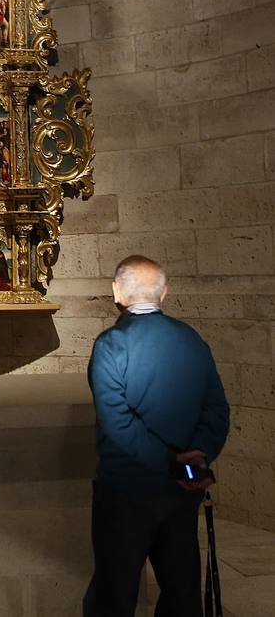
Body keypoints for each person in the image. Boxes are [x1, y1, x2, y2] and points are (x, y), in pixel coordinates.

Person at [84, 256, 230, 617]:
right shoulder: (191, 340)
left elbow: (117, 423)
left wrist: (167, 460)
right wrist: (198, 454)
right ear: (165, 292)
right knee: (181, 595)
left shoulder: (110, 346)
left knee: (114, 597)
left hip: (125, 492)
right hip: (182, 489)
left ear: (116, 292)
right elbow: (217, 409)